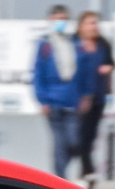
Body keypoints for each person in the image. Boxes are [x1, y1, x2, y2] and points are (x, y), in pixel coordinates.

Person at [33, 10, 105, 177]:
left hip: (73, 101)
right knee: (59, 144)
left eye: (64, 19)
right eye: (57, 19)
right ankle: (60, 179)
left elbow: (86, 72)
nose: (61, 22)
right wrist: (42, 99)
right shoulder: (45, 45)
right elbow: (38, 73)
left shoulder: (74, 43)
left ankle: (69, 173)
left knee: (75, 142)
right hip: (53, 102)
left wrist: (87, 94)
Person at [71, 12, 115, 186]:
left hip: (98, 96)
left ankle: (86, 172)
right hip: (78, 97)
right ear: (81, 25)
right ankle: (87, 171)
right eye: (90, 23)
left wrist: (108, 68)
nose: (94, 27)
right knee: (77, 137)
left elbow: (112, 62)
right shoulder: (74, 43)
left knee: (89, 136)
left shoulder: (103, 44)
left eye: (96, 23)